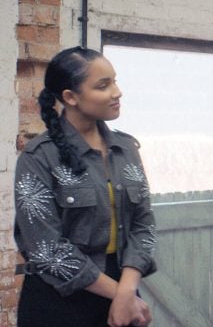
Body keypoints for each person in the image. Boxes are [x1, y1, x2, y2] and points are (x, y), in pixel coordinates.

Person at [13, 46, 156, 327]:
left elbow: (144, 224)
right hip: (58, 303)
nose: (117, 92)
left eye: (115, 81)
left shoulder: (125, 148)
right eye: (103, 85)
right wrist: (123, 296)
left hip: (122, 292)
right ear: (70, 97)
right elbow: (47, 249)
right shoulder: (39, 156)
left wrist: (127, 289)